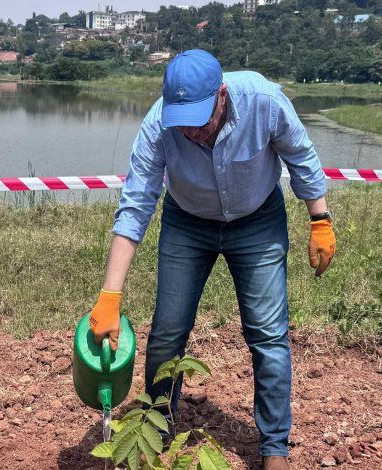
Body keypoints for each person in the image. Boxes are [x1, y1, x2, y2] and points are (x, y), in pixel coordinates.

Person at [88, 50, 336, 470]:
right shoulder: (159, 125)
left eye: (199, 121)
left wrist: (320, 219)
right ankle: (157, 426)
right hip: (187, 223)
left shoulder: (264, 101)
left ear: (221, 95)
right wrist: (110, 294)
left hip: (257, 220)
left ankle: (274, 448)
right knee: (168, 332)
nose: (190, 131)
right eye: (180, 122)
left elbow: (301, 156)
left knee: (268, 335)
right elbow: (135, 204)